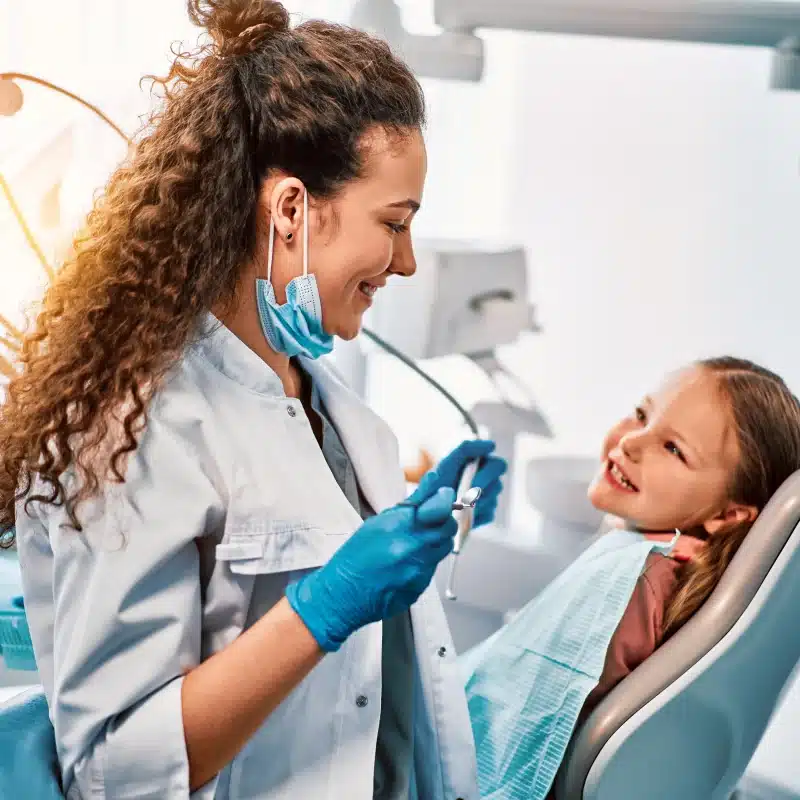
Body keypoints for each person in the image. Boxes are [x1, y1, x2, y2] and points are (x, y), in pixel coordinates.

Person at [0, 2, 507, 798]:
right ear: (293, 210)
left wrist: (425, 528)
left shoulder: (324, 403)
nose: (405, 261)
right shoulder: (136, 429)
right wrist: (320, 609)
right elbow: (112, 769)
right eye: (394, 222)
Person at [463, 356, 800, 799]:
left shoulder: (634, 581)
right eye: (642, 415)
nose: (633, 442)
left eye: (673, 449)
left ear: (728, 514)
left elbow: (531, 715)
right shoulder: (657, 562)